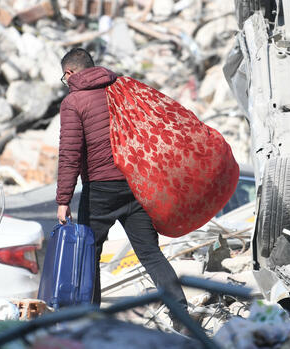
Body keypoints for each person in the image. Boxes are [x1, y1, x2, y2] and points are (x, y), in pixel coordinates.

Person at [55, 48, 188, 313]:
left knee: (88, 258)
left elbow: (70, 154)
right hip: (134, 183)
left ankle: (89, 320)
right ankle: (181, 312)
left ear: (69, 73)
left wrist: (63, 200)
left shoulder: (74, 102)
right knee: (150, 253)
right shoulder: (119, 88)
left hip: (100, 190)